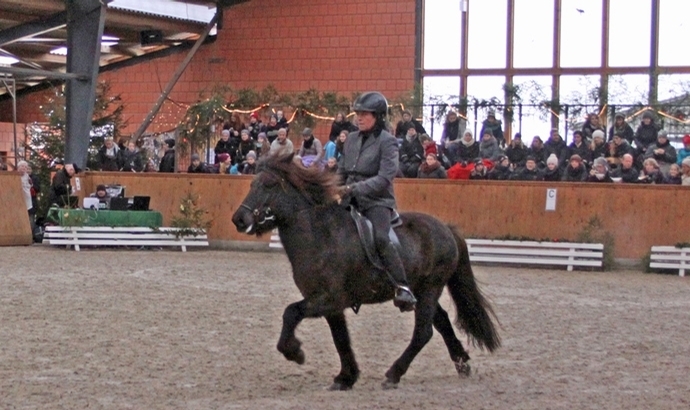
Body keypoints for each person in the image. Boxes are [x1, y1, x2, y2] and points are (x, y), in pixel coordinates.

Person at [337, 91, 417, 312]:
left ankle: (403, 287)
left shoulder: (388, 142)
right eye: (358, 114)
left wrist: (354, 188)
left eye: (365, 114)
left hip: (377, 201)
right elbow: (342, 170)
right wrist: (331, 186)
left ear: (378, 116)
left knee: (381, 238)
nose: (359, 118)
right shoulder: (351, 139)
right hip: (349, 197)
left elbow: (384, 178)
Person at [17, 161, 34, 230]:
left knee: (28, 216)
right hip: (17, 200)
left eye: (25, 167)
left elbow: (31, 185)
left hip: (26, 199)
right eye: (22, 166)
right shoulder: (15, 175)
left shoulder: (28, 177)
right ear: (18, 167)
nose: (24, 168)